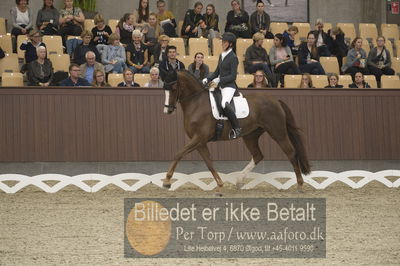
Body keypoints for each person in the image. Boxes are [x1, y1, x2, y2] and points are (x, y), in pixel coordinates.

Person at [202, 32, 241, 139]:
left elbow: (233, 76)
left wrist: (219, 80)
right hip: (220, 85)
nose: (222, 43)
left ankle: (237, 128)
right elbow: (216, 72)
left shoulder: (233, 57)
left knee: (224, 103)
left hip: (229, 86)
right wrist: (207, 78)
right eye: (222, 41)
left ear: (231, 44)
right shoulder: (221, 55)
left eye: (225, 42)